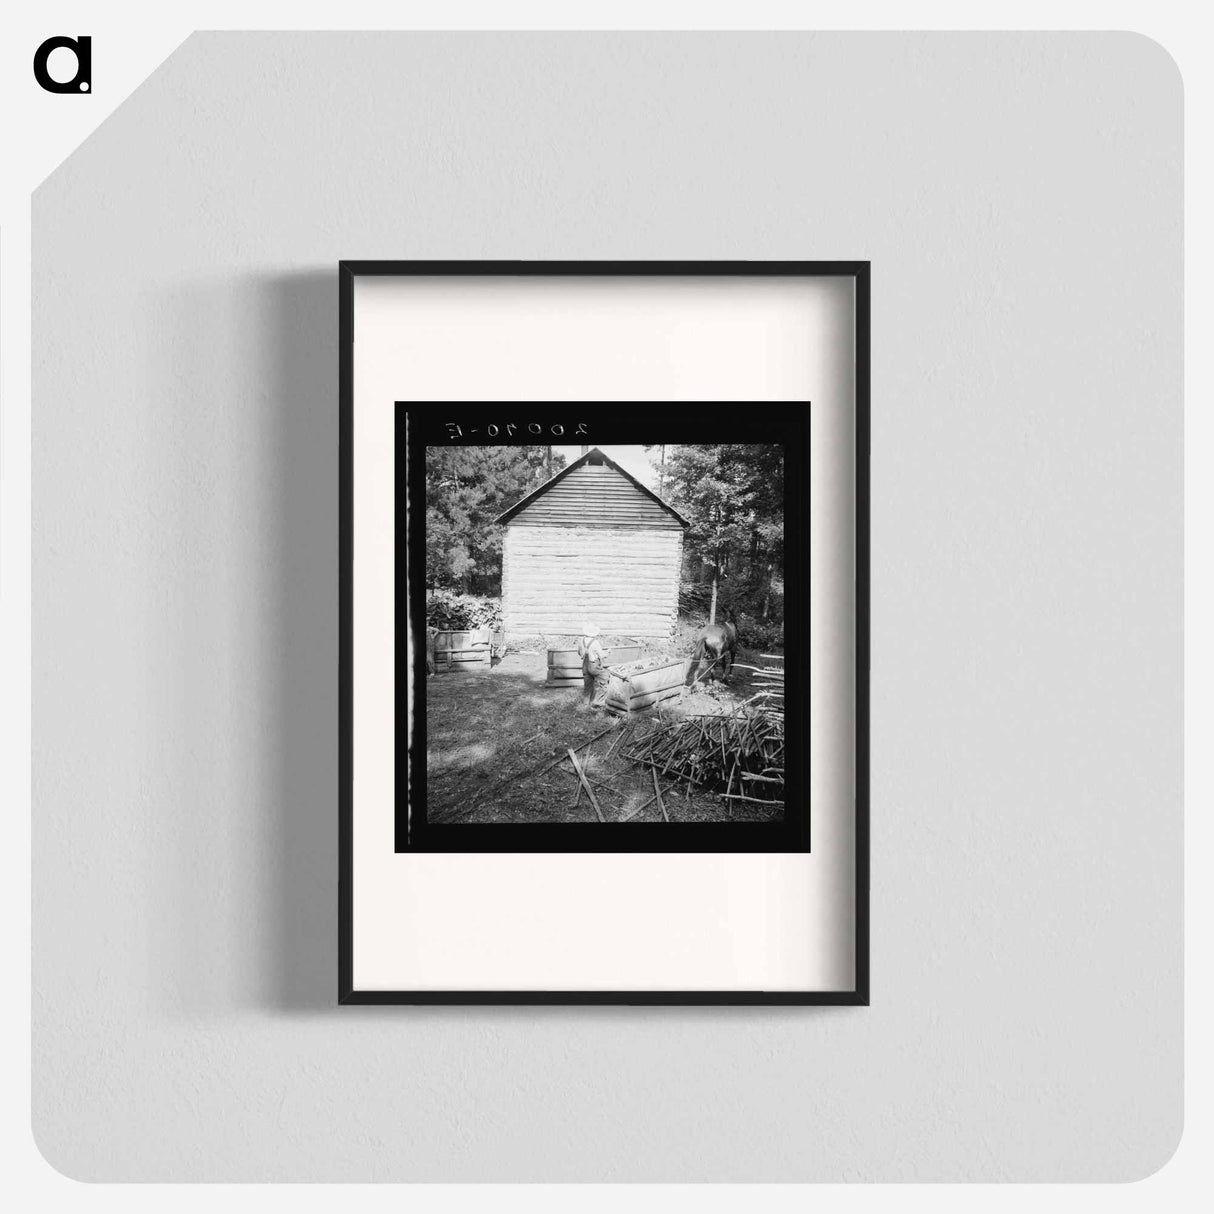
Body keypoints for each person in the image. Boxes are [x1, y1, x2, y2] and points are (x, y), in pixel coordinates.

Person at [577, 621, 609, 710]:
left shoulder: (581, 641)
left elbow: (579, 653)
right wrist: (608, 652)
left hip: (585, 665)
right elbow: (602, 655)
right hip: (593, 665)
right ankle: (598, 703)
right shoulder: (595, 642)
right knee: (605, 678)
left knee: (588, 684)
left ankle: (585, 704)